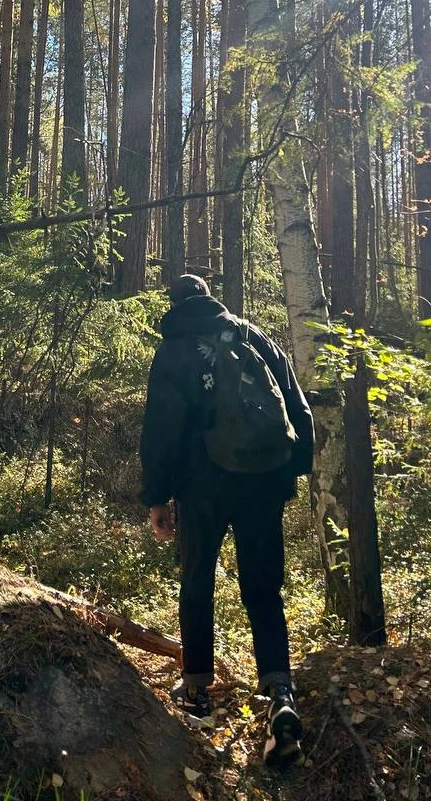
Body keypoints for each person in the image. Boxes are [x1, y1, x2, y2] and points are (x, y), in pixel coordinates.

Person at [139, 274, 315, 767]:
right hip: (263, 481)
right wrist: (294, 469)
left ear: (176, 303)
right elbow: (295, 404)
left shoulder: (175, 350)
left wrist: (157, 497)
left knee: (197, 582)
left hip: (203, 487)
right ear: (212, 296)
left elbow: (161, 429)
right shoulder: (251, 333)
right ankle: (280, 690)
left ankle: (196, 690)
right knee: (263, 590)